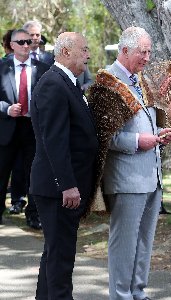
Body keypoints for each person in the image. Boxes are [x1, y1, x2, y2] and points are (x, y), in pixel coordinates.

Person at [91, 26, 171, 300]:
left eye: (150, 51)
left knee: (144, 242)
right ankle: (120, 296)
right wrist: (139, 141)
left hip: (152, 175)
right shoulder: (106, 83)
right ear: (125, 50)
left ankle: (138, 293)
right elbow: (104, 137)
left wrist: (160, 135)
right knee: (124, 243)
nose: (148, 57)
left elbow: (149, 122)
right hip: (126, 177)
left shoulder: (141, 81)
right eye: (143, 51)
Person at [30, 31, 97, 299]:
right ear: (66, 52)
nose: (88, 55)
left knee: (54, 254)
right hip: (57, 188)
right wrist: (67, 185)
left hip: (64, 185)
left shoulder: (67, 82)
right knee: (61, 258)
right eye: (84, 50)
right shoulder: (53, 84)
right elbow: (54, 140)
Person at [0, 29, 50, 228]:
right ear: (12, 45)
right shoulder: (2, 67)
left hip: (33, 128)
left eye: (28, 41)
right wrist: (6, 108)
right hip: (7, 128)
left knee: (34, 173)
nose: (25, 45)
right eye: (20, 42)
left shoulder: (44, 68)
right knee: (2, 172)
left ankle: (34, 215)